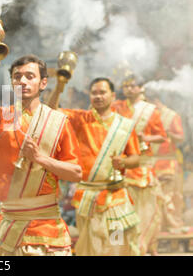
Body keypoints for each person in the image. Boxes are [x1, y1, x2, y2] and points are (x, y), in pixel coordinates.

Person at [0, 53, 82, 256]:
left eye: (29, 76)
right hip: (11, 227)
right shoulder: (2, 115)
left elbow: (75, 173)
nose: (22, 81)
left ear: (43, 83)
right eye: (17, 77)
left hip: (47, 227)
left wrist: (40, 158)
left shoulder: (59, 121)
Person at [48, 76, 141, 256]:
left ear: (112, 95)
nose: (98, 96)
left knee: (116, 243)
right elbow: (51, 112)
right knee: (91, 246)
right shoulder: (80, 118)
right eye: (94, 93)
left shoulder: (124, 125)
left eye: (102, 92)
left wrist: (123, 162)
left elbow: (135, 158)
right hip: (87, 197)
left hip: (115, 197)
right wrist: (59, 85)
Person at [111, 75, 167, 255]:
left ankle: (140, 246)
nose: (128, 89)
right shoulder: (116, 106)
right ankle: (115, 247)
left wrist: (146, 138)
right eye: (125, 86)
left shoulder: (151, 111)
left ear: (141, 88)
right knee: (116, 211)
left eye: (132, 86)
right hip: (118, 164)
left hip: (141, 167)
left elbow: (161, 136)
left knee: (144, 212)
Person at [146, 92, 185, 232]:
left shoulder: (171, 116)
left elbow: (180, 138)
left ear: (155, 100)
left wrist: (168, 133)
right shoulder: (147, 116)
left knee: (170, 197)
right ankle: (154, 228)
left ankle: (171, 225)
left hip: (168, 163)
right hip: (150, 162)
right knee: (152, 198)